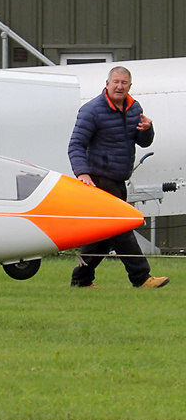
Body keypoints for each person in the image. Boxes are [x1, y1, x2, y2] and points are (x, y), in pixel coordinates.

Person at [68, 65, 167, 288]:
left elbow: (142, 142)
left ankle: (81, 279)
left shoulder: (134, 108)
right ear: (107, 84)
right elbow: (75, 145)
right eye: (115, 82)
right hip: (99, 180)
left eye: (124, 83)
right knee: (121, 228)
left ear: (129, 86)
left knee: (103, 236)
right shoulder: (91, 110)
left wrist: (147, 130)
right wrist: (83, 174)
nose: (119, 86)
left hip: (119, 178)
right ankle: (141, 278)